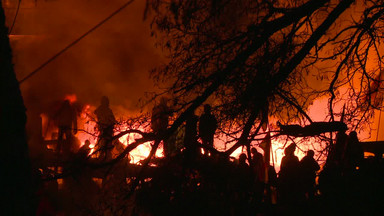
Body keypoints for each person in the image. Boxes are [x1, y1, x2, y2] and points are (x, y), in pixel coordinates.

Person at [95, 96, 116, 160]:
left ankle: (104, 158)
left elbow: (96, 113)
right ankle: (106, 158)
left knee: (104, 144)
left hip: (105, 129)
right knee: (106, 144)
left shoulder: (101, 109)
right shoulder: (106, 110)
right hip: (106, 129)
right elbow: (112, 120)